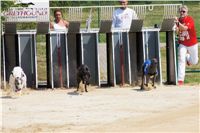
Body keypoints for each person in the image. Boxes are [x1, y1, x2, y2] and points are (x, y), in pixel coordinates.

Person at [175, 5, 199, 85]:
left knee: (195, 61)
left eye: (184, 11)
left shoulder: (189, 19)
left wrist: (178, 24)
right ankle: (180, 80)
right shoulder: (178, 20)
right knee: (181, 59)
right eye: (181, 11)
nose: (182, 13)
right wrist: (176, 28)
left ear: (187, 12)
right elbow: (177, 33)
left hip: (192, 43)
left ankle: (188, 57)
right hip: (183, 43)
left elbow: (185, 28)